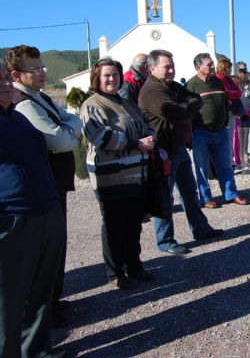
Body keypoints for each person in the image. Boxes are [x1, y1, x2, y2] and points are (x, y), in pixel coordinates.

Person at [6, 45, 81, 326]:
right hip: (40, 186)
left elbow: (70, 121)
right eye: (35, 69)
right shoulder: (23, 103)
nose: (41, 73)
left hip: (52, 184)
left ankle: (52, 301)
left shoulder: (42, 97)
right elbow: (60, 140)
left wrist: (67, 127)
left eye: (42, 68)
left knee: (55, 246)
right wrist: (69, 129)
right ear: (17, 74)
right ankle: (42, 310)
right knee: (42, 253)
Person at [0, 63, 66, 358]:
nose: (5, 83)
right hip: (13, 219)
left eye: (5, 77)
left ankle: (38, 351)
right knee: (8, 301)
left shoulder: (19, 118)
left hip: (46, 212)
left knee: (41, 293)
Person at [138, 49, 223, 255]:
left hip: (178, 148)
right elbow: (175, 113)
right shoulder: (152, 90)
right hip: (162, 151)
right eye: (167, 67)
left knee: (189, 192)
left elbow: (196, 100)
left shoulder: (172, 86)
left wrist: (185, 107)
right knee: (164, 197)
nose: (171, 70)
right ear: (152, 68)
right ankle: (165, 241)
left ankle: (201, 229)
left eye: (172, 66)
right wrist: (186, 109)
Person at [81, 58, 155, 288]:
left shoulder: (128, 103)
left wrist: (150, 137)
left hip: (136, 174)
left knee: (134, 222)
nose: (112, 79)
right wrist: (136, 142)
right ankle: (115, 272)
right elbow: (102, 137)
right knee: (114, 224)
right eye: (106, 75)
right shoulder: (92, 105)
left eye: (115, 74)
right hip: (110, 177)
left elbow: (147, 123)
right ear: (97, 78)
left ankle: (134, 264)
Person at [186, 53, 249, 209]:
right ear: (198, 67)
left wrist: (225, 122)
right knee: (201, 167)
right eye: (208, 65)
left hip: (220, 130)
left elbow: (224, 103)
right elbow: (188, 111)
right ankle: (206, 198)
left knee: (226, 165)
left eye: (212, 64)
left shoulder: (219, 83)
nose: (212, 67)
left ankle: (231, 194)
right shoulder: (191, 85)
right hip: (200, 133)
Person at [215, 57, 243, 167]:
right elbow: (225, 93)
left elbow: (238, 93)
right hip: (224, 111)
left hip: (232, 111)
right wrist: (232, 93)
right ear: (224, 68)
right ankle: (225, 162)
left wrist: (232, 93)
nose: (231, 71)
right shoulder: (218, 79)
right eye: (229, 68)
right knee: (224, 138)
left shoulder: (229, 80)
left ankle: (230, 161)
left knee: (230, 137)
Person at [234, 62, 250, 167]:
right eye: (241, 70)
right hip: (238, 114)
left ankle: (245, 155)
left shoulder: (248, 84)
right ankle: (238, 157)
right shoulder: (234, 83)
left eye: (245, 70)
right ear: (237, 70)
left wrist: (249, 91)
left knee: (245, 135)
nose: (243, 73)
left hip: (247, 113)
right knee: (237, 137)